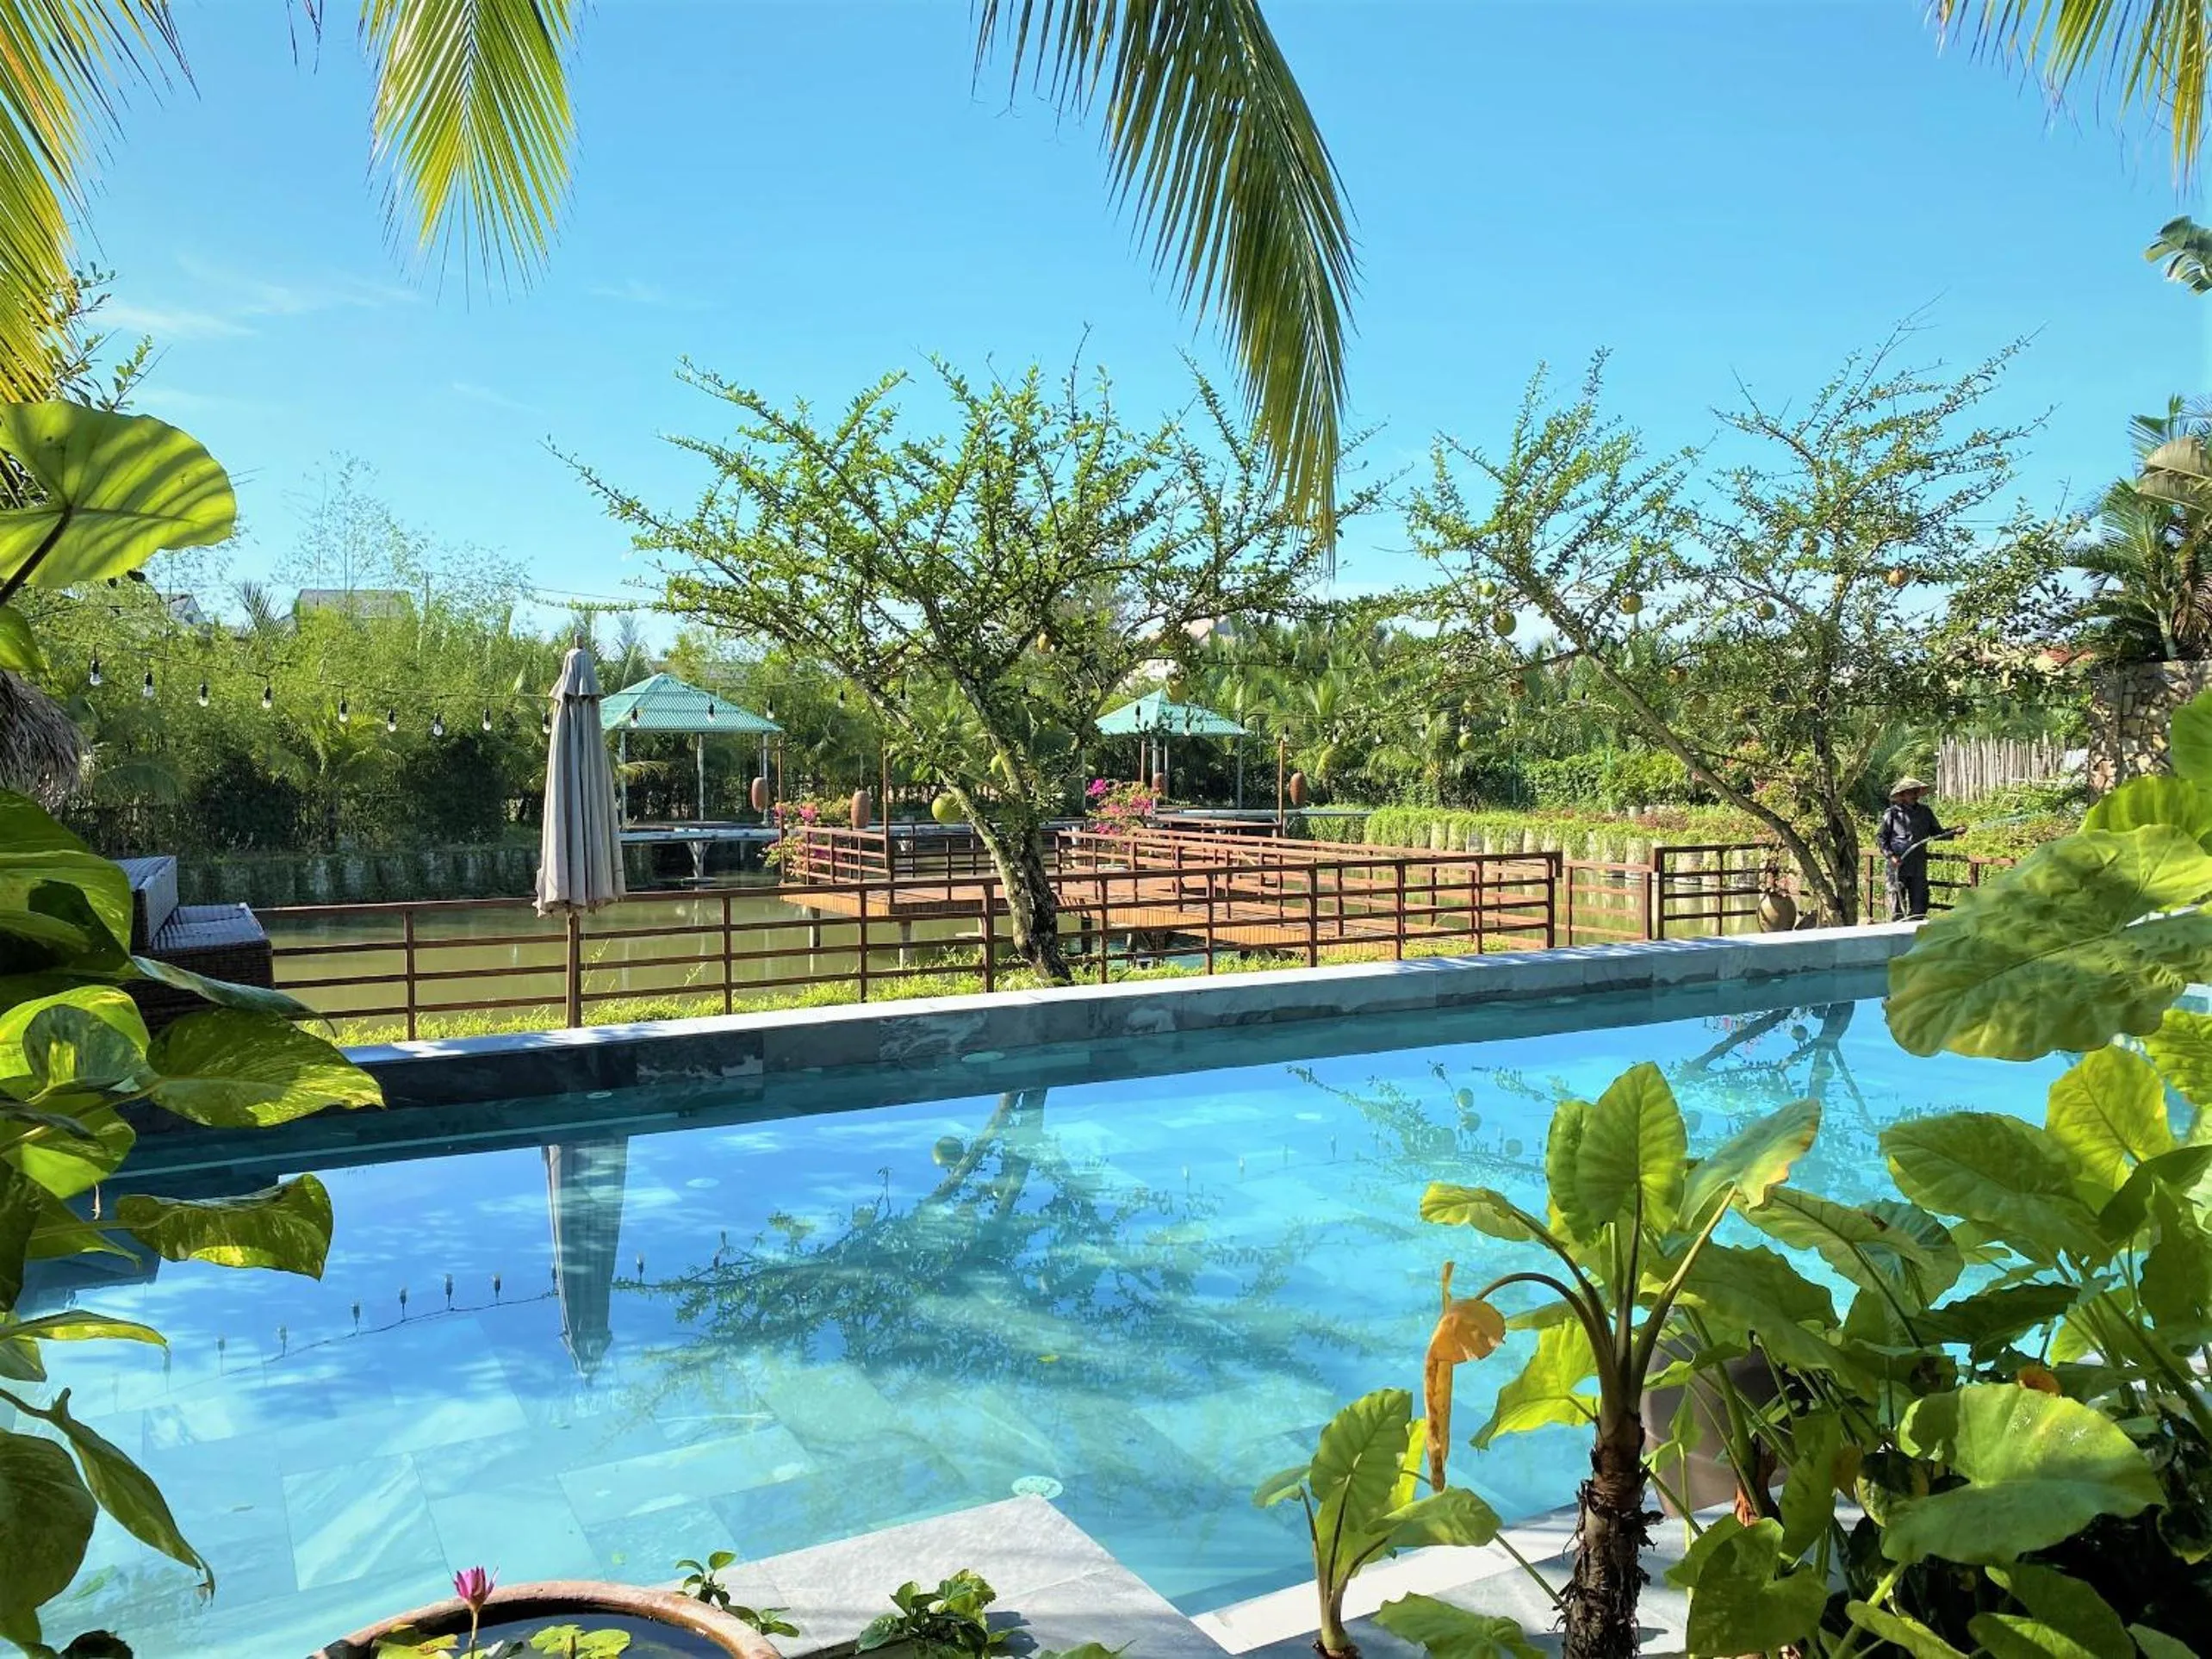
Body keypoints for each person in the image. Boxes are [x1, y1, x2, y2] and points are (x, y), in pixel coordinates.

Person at [1877, 776, 1957, 922]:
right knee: (1896, 904)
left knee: (1919, 903)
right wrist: (1891, 856)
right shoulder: (1892, 814)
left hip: (1918, 865)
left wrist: (1954, 831)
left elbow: (1936, 834)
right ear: (1902, 795)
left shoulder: (1925, 812)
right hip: (1897, 864)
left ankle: (1915, 933)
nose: (1914, 795)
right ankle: (1896, 934)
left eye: (1915, 791)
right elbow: (1881, 838)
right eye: (1910, 792)